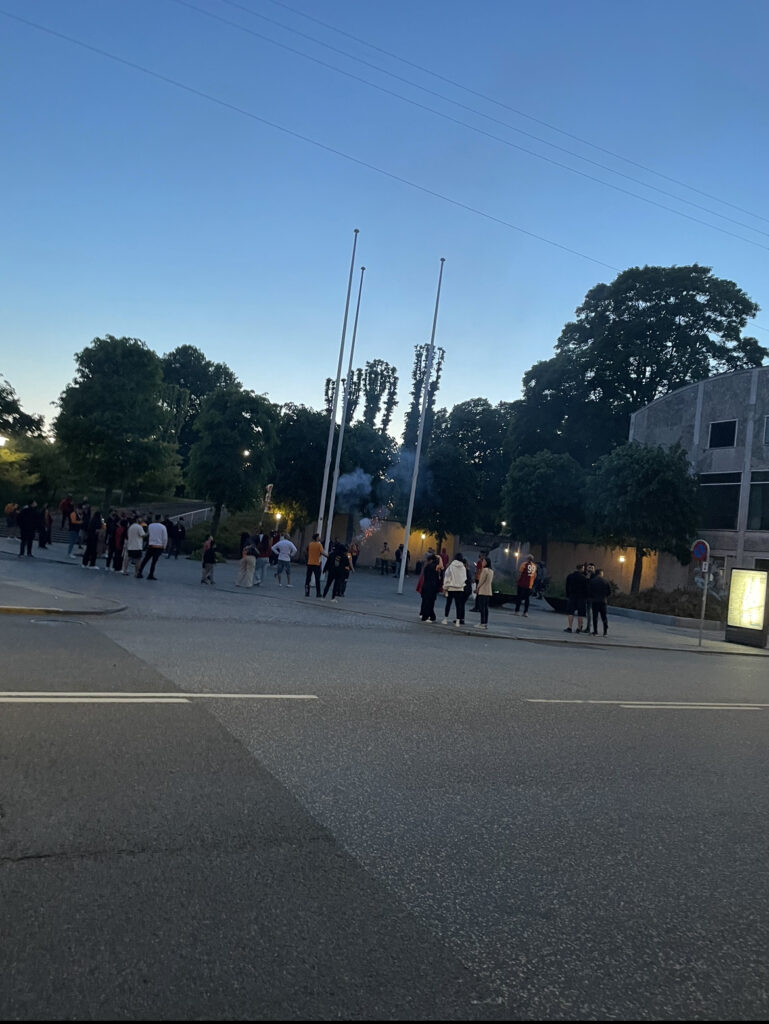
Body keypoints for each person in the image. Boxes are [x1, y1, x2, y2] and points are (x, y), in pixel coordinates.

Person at [136, 514, 168, 580]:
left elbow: (148, 534)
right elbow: (165, 538)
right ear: (160, 519)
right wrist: (164, 546)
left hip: (151, 545)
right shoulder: (163, 527)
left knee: (145, 559)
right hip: (159, 546)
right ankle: (150, 574)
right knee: (154, 561)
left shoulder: (150, 525)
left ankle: (139, 572)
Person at [441, 553, 469, 626]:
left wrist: (445, 587)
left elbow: (447, 577)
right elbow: (464, 578)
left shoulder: (451, 566)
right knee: (458, 605)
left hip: (451, 587)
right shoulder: (463, 567)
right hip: (460, 588)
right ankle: (457, 621)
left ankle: (445, 619)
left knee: (448, 603)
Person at [564, 563, 589, 633]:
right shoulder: (584, 578)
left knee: (570, 612)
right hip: (581, 597)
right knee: (580, 613)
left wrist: (568, 595)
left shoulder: (570, 576)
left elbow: (567, 586)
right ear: (581, 569)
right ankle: (578, 628)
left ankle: (569, 627)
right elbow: (586, 589)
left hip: (572, 596)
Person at [418, 553, 442, 622]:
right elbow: (441, 566)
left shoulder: (427, 566)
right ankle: (426, 616)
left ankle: (430, 616)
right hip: (432, 587)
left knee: (426, 601)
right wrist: (440, 558)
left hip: (426, 586)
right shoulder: (434, 566)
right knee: (430, 602)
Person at [588, 568, 611, 636]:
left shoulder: (592, 581)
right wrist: (605, 596)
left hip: (595, 601)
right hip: (603, 601)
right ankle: (605, 631)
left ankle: (595, 631)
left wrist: (592, 597)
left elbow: (589, 591)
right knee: (604, 616)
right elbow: (609, 592)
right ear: (601, 573)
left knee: (595, 616)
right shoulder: (606, 581)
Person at [305, 533, 325, 597]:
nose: (320, 538)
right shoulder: (319, 545)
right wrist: (328, 556)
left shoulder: (310, 544)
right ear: (317, 538)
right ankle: (318, 593)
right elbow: (322, 552)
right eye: (319, 537)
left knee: (308, 579)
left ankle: (307, 592)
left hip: (309, 563)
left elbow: (307, 551)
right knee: (317, 579)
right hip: (316, 564)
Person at [475, 559, 494, 629]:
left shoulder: (484, 570)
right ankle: (485, 622)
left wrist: (477, 588)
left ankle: (482, 623)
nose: (482, 562)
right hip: (488, 591)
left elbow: (481, 580)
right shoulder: (491, 571)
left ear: (486, 563)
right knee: (486, 608)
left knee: (482, 608)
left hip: (483, 590)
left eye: (483, 561)